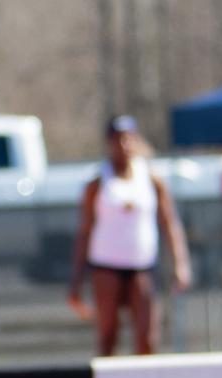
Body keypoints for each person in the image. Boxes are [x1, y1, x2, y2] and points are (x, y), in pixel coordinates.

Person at [68, 115, 192, 356]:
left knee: (147, 338)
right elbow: (84, 231)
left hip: (141, 267)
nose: (123, 145)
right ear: (109, 142)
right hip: (106, 267)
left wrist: (181, 264)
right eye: (117, 140)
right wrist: (76, 281)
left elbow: (169, 223)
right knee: (108, 336)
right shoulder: (97, 184)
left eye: (127, 139)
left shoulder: (151, 179)